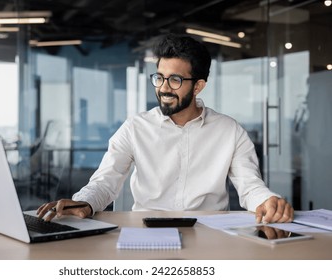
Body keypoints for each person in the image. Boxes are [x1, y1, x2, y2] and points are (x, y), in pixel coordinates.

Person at [37, 33, 294, 224]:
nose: (163, 88)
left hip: (209, 232)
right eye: (159, 77)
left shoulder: (229, 130)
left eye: (175, 79)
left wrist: (267, 201)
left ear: (199, 86)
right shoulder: (135, 127)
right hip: (145, 231)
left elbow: (250, 186)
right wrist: (86, 202)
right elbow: (105, 182)